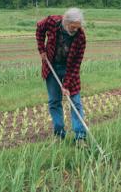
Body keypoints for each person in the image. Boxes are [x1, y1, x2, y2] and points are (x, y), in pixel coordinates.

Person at [36, 8, 86, 144]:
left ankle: (80, 137)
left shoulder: (81, 37)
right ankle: (59, 135)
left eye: (78, 27)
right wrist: (41, 49)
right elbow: (39, 28)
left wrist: (66, 86)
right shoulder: (53, 22)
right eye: (73, 27)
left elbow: (76, 65)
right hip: (51, 66)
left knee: (75, 103)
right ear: (66, 21)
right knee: (54, 101)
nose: (75, 30)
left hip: (70, 70)